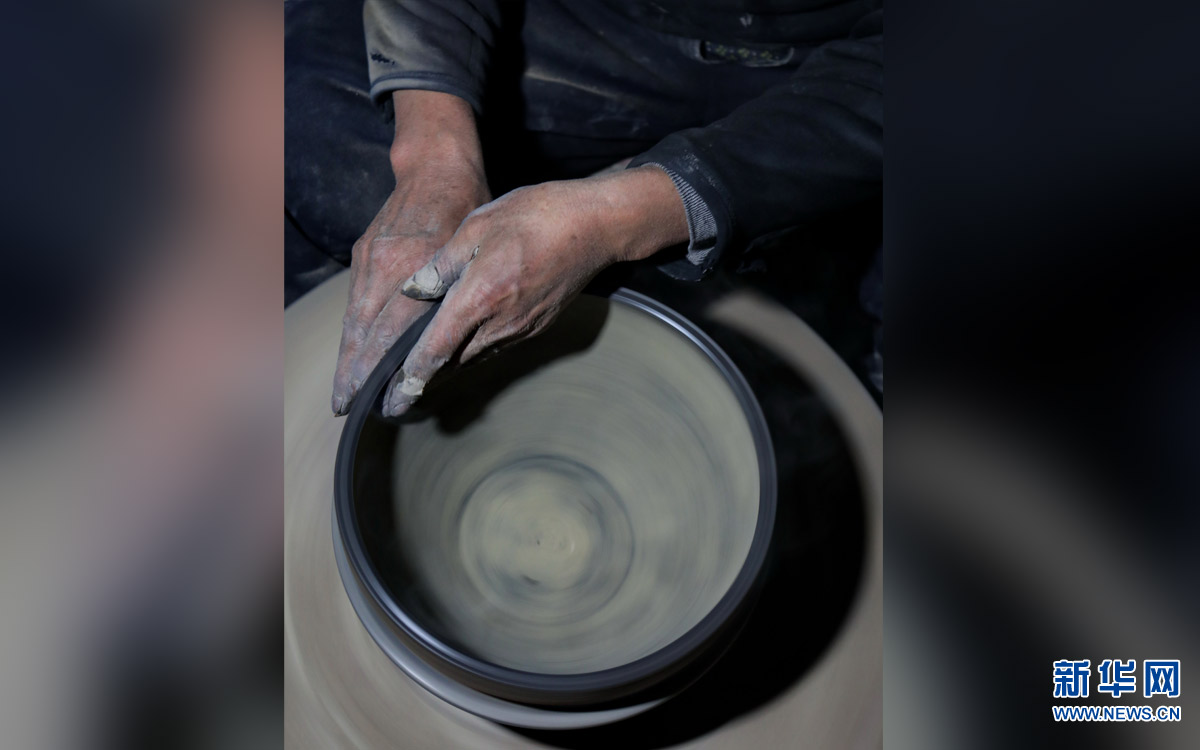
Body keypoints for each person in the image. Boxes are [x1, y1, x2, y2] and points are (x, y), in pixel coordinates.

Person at [285, 0, 882, 417]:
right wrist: (434, 160)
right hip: (595, 25)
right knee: (296, 129)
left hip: (843, 67)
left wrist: (619, 218)